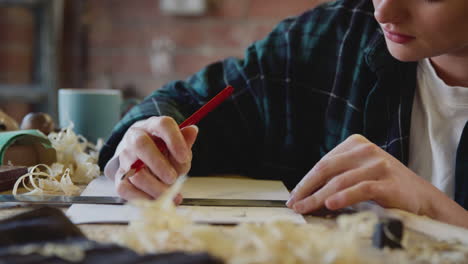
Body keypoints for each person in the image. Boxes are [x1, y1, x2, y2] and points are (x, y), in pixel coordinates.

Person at [98, 0, 468, 228]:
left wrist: (434, 209)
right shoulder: (335, 37)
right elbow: (185, 100)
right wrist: (143, 138)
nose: (384, 10)